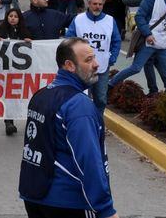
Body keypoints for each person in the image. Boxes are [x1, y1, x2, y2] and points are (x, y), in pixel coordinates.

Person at [19, 38, 118, 218]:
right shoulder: (79, 105)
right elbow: (88, 159)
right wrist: (105, 209)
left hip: (34, 197)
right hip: (70, 203)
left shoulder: (41, 95)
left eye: (94, 58)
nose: (96, 64)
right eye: (88, 60)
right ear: (69, 65)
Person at [65, 0, 121, 115]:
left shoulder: (110, 21)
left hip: (102, 66)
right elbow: (69, 39)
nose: (97, 6)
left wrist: (113, 57)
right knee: (81, 98)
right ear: (89, 4)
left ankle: (98, 122)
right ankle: (82, 121)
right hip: (82, 67)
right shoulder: (78, 19)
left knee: (101, 99)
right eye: (94, 4)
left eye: (100, 4)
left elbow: (116, 40)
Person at [121, 0, 166, 94]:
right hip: (164, 35)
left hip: (148, 33)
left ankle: (111, 83)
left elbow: (128, 0)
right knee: (161, 63)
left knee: (139, 65)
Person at [0, 8, 32, 135]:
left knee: (16, 96)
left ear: (19, 19)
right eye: (10, 16)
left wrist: (29, 42)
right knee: (7, 96)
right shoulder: (1, 30)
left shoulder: (24, 32)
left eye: (15, 16)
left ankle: (14, 119)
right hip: (4, 70)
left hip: (19, 71)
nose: (13, 18)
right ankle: (9, 122)